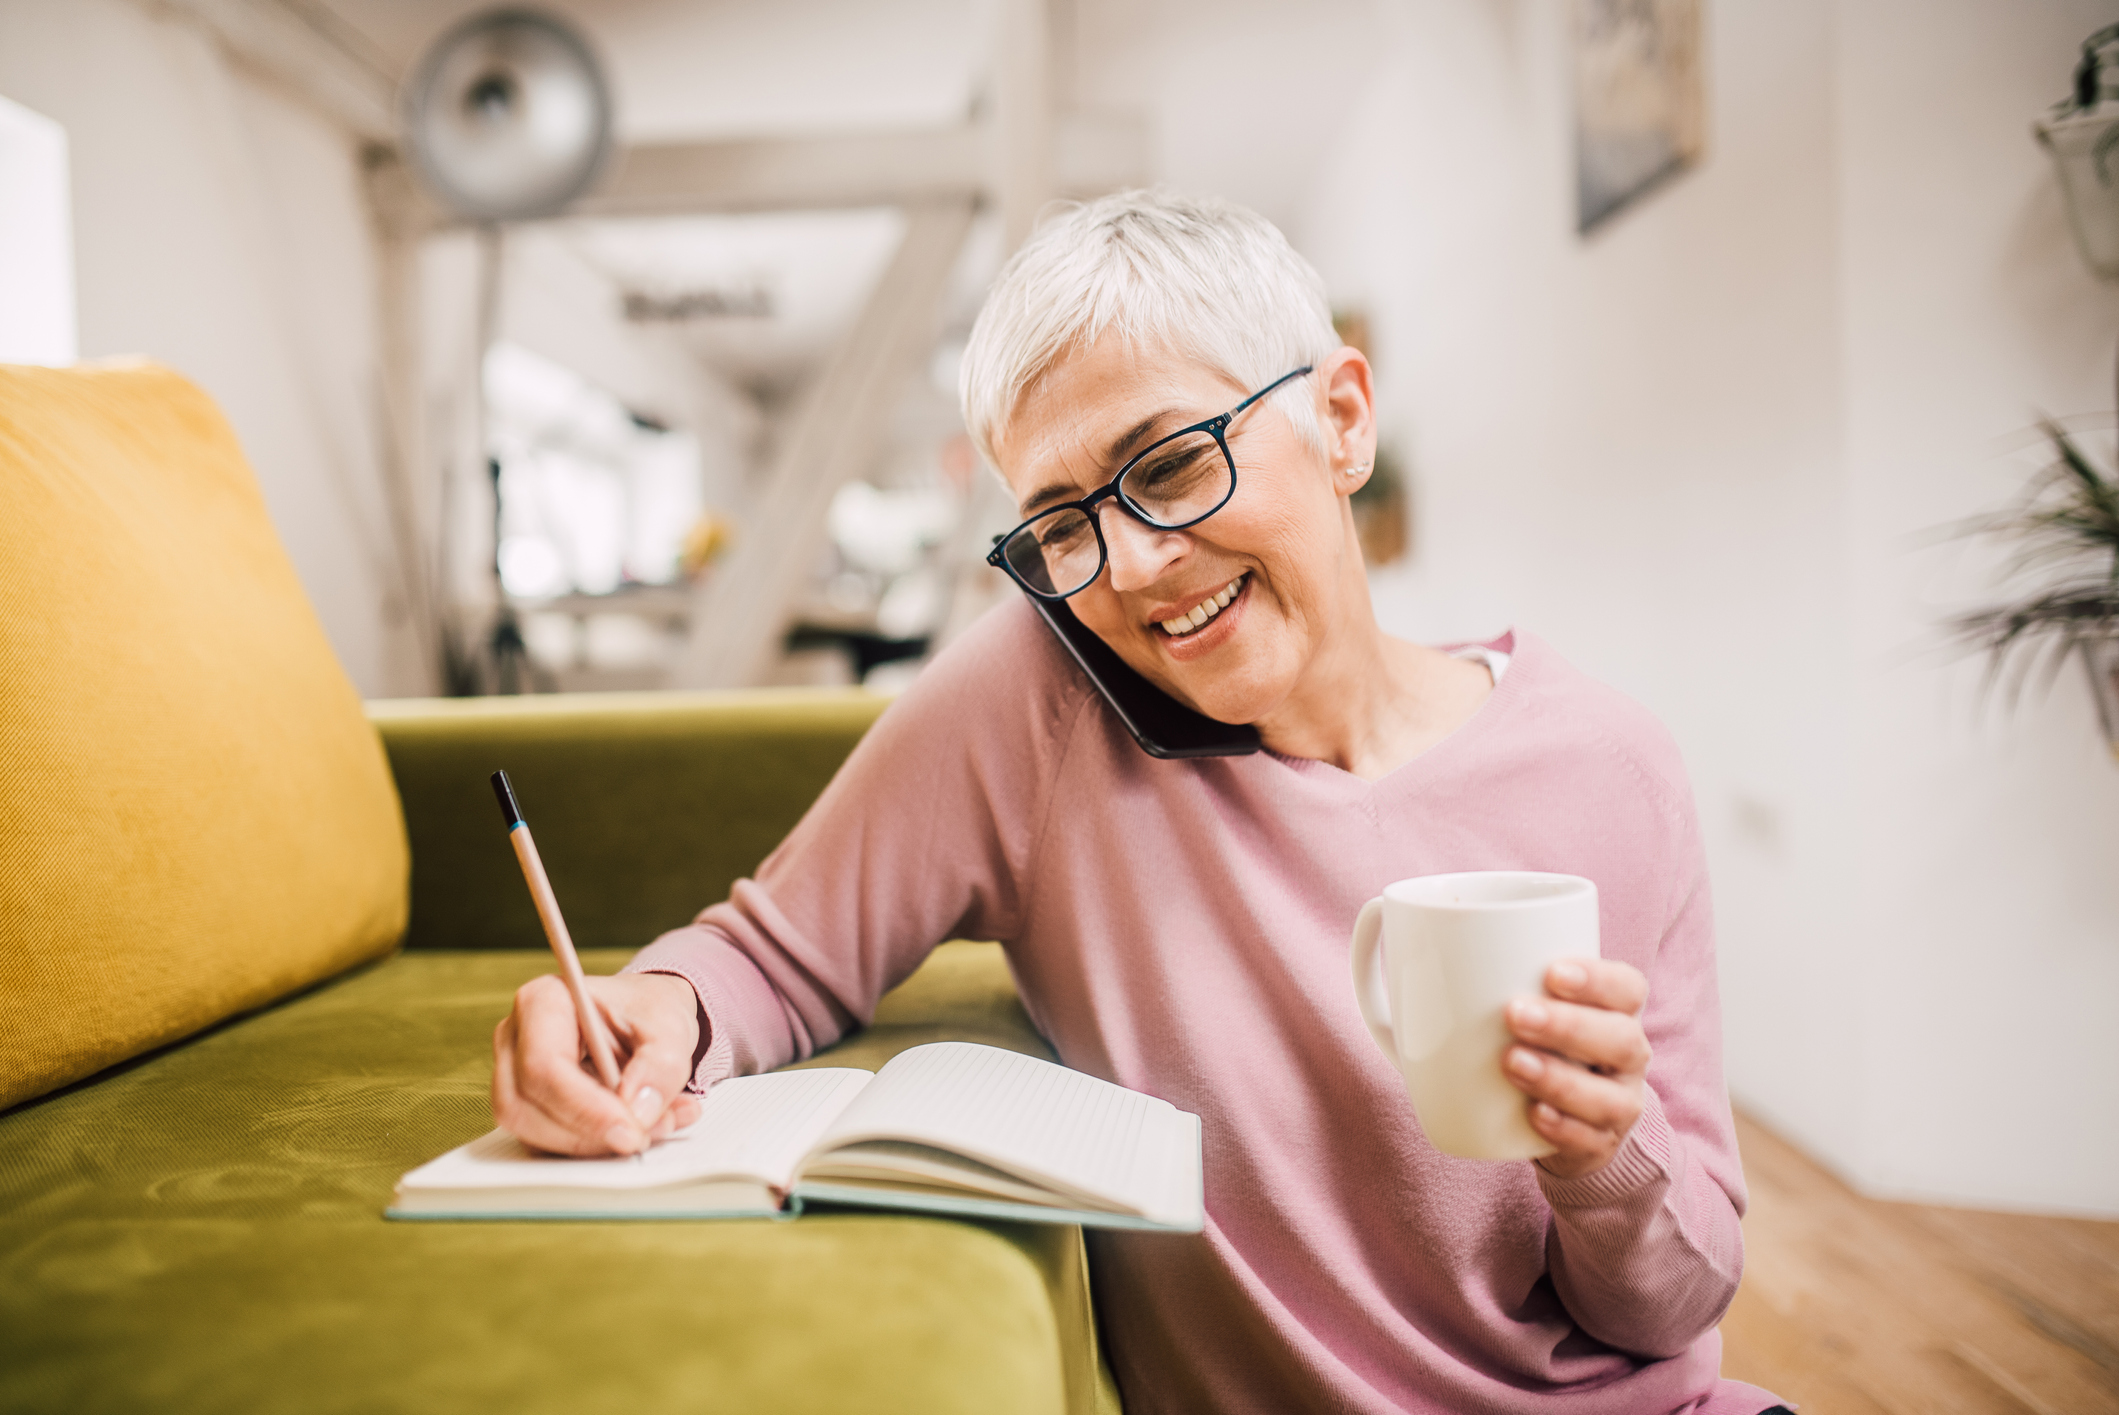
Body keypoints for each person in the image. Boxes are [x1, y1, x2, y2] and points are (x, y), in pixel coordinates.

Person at [490, 190, 1787, 1415]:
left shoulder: (1613, 769)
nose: (1130, 568)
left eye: (1167, 465)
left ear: (1340, 420)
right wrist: (645, 1012)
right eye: (1060, 522)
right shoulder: (1044, 703)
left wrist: (1601, 1161)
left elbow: (1675, 1303)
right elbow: (776, 953)